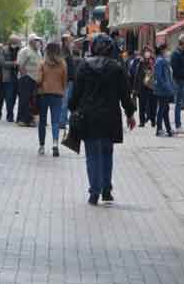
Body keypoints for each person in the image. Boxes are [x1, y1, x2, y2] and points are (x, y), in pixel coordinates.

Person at [69, 34, 136, 206]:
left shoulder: (84, 66)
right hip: (110, 117)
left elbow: (76, 93)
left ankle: (94, 192)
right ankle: (106, 189)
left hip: (89, 116)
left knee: (92, 155)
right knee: (107, 153)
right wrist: (130, 113)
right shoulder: (117, 68)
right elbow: (125, 94)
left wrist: (72, 108)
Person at [36, 42, 67, 157]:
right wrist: (62, 91)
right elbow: (64, 80)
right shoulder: (63, 64)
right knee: (55, 122)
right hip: (58, 95)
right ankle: (55, 144)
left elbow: (39, 80)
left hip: (44, 94)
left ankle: (42, 146)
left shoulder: (43, 63)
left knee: (42, 122)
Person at [16, 34, 42, 127]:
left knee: (31, 100)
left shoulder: (38, 52)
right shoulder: (25, 51)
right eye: (36, 40)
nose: (37, 42)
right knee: (24, 99)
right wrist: (24, 76)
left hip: (35, 79)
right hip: (26, 77)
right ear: (31, 41)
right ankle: (22, 119)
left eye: (38, 40)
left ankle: (29, 119)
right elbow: (20, 65)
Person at [0, 36, 21, 122]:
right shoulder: (4, 50)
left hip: (18, 77)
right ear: (10, 42)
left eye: (17, 42)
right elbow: (2, 62)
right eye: (14, 42)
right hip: (7, 77)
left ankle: (10, 113)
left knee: (14, 97)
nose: (15, 44)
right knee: (8, 97)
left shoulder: (20, 50)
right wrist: (14, 63)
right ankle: (9, 115)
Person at [133, 46, 158, 128]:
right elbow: (136, 75)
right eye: (145, 51)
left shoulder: (154, 62)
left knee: (153, 105)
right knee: (142, 105)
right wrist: (135, 88)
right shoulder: (139, 62)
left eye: (148, 51)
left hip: (152, 86)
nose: (147, 53)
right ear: (143, 53)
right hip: (142, 87)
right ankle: (142, 121)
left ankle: (153, 121)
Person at [154, 44, 175, 137]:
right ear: (162, 50)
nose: (168, 52)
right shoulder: (160, 61)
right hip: (162, 90)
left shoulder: (163, 60)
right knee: (162, 109)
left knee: (165, 109)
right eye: (167, 50)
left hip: (165, 89)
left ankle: (168, 129)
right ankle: (159, 129)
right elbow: (159, 76)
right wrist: (166, 86)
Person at [59, 34, 76, 131]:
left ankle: (64, 120)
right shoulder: (63, 52)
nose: (71, 42)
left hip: (70, 79)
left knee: (67, 100)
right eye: (70, 40)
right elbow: (63, 66)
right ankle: (61, 121)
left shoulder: (67, 51)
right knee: (64, 101)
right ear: (65, 41)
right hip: (66, 80)